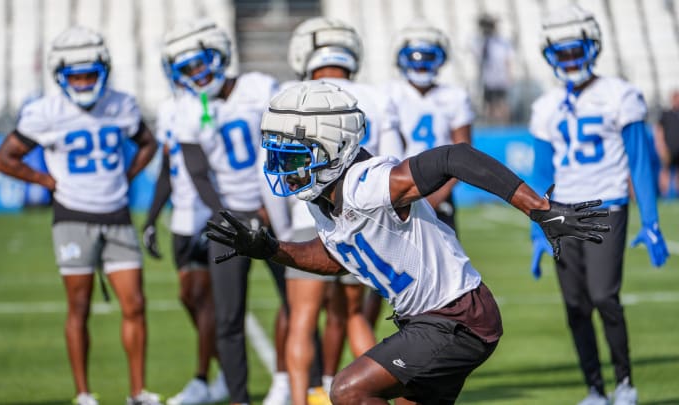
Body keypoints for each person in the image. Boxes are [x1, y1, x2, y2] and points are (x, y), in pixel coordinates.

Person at [206, 80, 610, 404]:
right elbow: (335, 256)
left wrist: (538, 208)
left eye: (293, 157)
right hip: (432, 321)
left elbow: (456, 156)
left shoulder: (369, 182)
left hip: (455, 318)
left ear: (333, 149)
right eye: (278, 157)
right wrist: (271, 250)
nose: (283, 169)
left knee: (348, 390)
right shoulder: (322, 198)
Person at [0, 27, 160, 405]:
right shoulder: (45, 111)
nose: (83, 82)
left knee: (135, 304)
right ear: (60, 75)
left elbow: (148, 143)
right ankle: (83, 393)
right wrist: (43, 179)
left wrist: (127, 175)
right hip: (72, 217)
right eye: (75, 75)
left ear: (104, 70)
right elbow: (2, 158)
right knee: (78, 307)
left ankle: (137, 392)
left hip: (115, 214)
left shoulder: (122, 104)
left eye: (89, 74)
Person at [529, 5, 669, 405]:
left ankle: (625, 383)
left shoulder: (620, 95)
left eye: (577, 50)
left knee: (604, 296)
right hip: (561, 211)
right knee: (575, 305)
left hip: (607, 204)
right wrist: (536, 230)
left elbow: (640, 163)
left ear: (593, 47)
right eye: (563, 53)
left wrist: (652, 221)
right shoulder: (546, 107)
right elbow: (541, 175)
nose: (571, 60)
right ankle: (595, 389)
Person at [157, 18, 288, 405]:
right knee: (229, 317)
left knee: (296, 300)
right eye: (186, 69)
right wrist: (226, 216)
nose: (196, 75)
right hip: (228, 215)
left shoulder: (259, 88)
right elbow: (198, 173)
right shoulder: (186, 111)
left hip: (274, 208)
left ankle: (297, 382)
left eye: (200, 63)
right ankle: (239, 399)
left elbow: (284, 144)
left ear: (219, 55)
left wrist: (273, 203)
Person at [274, 16, 394, 404]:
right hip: (361, 220)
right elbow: (392, 161)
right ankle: (372, 397)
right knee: (356, 316)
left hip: (305, 218)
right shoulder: (376, 96)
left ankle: (299, 399)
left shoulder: (289, 93)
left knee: (302, 320)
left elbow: (275, 170)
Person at [141, 20, 238, 404]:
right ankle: (222, 374)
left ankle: (204, 378)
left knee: (206, 296)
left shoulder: (214, 104)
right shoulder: (169, 110)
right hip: (181, 212)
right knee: (189, 296)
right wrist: (151, 217)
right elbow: (168, 167)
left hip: (208, 209)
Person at [367, 20, 476, 330]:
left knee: (445, 277)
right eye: (416, 56)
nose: (422, 63)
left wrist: (433, 196)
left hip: (439, 194)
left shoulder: (453, 96)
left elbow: (464, 152)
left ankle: (439, 338)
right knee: (382, 279)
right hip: (396, 192)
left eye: (428, 57)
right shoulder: (388, 93)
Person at [472, 13, 513, 124]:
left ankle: (504, 126)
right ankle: (492, 126)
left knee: (501, 103)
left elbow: (507, 60)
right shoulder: (481, 41)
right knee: (489, 104)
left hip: (500, 78)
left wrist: (508, 76)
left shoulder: (502, 42)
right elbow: (478, 56)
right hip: (487, 79)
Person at [654, 90, 679, 196]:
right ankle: (665, 194)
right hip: (668, 149)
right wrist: (661, 146)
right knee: (665, 171)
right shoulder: (666, 114)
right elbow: (659, 131)